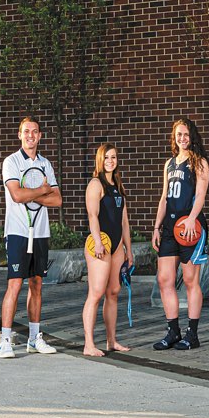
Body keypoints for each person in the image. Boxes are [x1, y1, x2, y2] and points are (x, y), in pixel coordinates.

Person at [0, 116, 63, 358]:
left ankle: (34, 338)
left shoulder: (46, 164)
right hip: (17, 231)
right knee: (15, 284)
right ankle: (5, 340)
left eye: (35, 131)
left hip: (41, 232)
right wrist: (43, 190)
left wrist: (32, 194)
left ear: (40, 136)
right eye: (26, 131)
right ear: (19, 135)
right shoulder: (11, 162)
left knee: (36, 284)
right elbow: (16, 195)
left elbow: (57, 200)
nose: (30, 135)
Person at [151, 117, 209, 351]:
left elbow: (201, 195)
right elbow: (164, 198)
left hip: (190, 227)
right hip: (169, 227)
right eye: (178, 135)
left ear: (192, 136)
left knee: (189, 280)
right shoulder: (169, 164)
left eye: (186, 134)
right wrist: (157, 227)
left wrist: (192, 219)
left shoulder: (199, 162)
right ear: (174, 138)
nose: (182, 138)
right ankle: (173, 331)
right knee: (164, 279)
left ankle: (192, 334)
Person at [81, 142, 132, 357]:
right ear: (100, 160)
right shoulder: (96, 184)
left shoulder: (117, 185)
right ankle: (89, 344)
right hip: (100, 243)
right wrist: (98, 242)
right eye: (107, 157)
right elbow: (93, 215)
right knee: (96, 293)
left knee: (113, 292)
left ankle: (111, 341)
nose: (110, 161)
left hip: (117, 245)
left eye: (113, 157)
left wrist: (129, 250)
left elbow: (124, 221)